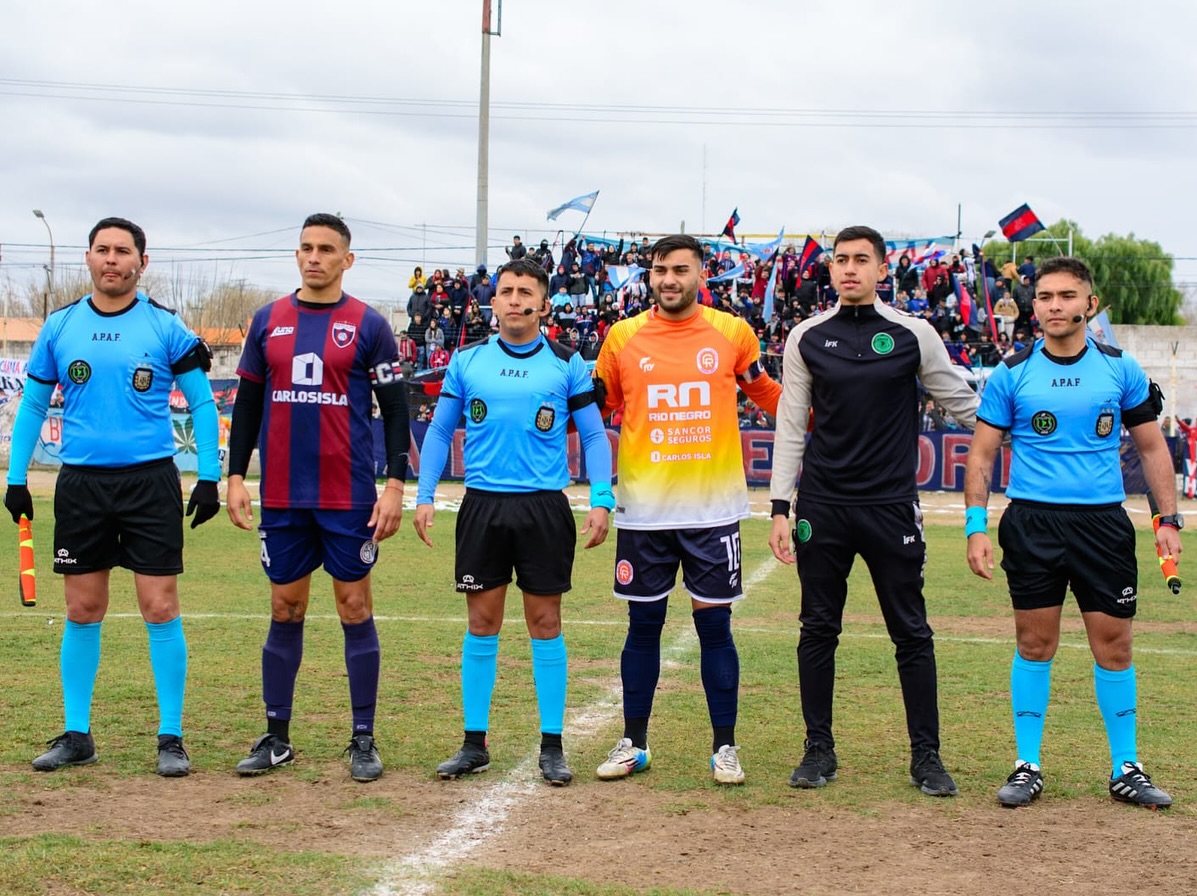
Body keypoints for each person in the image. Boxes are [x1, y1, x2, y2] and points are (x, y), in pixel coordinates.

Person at [3, 216, 221, 777]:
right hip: (81, 485)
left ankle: (170, 737)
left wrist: (211, 476)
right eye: (102, 250)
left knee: (160, 606)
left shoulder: (165, 326)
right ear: (89, 257)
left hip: (149, 483)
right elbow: (31, 406)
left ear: (141, 263)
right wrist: (16, 478)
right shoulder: (60, 326)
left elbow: (201, 404)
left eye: (123, 251)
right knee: (82, 608)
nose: (112, 259)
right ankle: (78, 735)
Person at [768, 225, 980, 796]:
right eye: (841, 260)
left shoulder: (914, 334)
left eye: (862, 260)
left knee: (911, 633)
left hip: (891, 507)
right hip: (823, 508)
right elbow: (791, 424)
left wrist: (1022, 426)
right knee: (818, 629)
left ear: (883, 269)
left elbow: (961, 403)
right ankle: (818, 750)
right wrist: (779, 507)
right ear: (831, 270)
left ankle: (927, 758)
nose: (849, 269)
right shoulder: (807, 337)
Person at [963, 256, 1181, 809]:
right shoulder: (1012, 371)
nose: (1054, 305)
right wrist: (975, 526)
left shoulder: (1119, 367)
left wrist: (1167, 520)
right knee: (1035, 643)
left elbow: (1153, 448)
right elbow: (983, 455)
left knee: (1116, 645)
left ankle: (1125, 767)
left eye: (1066, 296)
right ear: (1033, 305)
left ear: (1090, 304)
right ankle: (1027, 764)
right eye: (1044, 297)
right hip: (1032, 523)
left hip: (1102, 524)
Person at [414, 257, 614, 786]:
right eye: (506, 291)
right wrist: (426, 494)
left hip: (543, 507)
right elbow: (439, 432)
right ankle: (473, 743)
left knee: (545, 624)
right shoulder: (467, 360)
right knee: (482, 623)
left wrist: (601, 497)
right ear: (493, 301)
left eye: (527, 292)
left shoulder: (568, 363)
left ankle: (552, 746)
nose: (516, 299)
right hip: (483, 504)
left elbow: (594, 436)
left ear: (545, 305)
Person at [225, 213, 409, 783]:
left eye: (327, 249)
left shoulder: (369, 324)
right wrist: (236, 476)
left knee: (354, 607)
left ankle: (363, 738)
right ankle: (277, 737)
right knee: (286, 608)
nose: (314, 257)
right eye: (306, 247)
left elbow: (397, 409)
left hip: (347, 495)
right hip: (281, 495)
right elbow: (249, 406)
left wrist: (395, 484)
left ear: (346, 260)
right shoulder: (267, 321)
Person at [592, 234, 782, 786]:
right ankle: (634, 742)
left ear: (702, 274)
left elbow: (766, 393)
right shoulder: (622, 338)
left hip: (712, 512)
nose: (668, 279)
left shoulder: (731, 333)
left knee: (715, 627)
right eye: (659, 270)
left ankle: (725, 747)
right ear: (649, 275)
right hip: (644, 513)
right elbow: (596, 412)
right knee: (642, 626)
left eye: (680, 270)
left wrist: (823, 415)